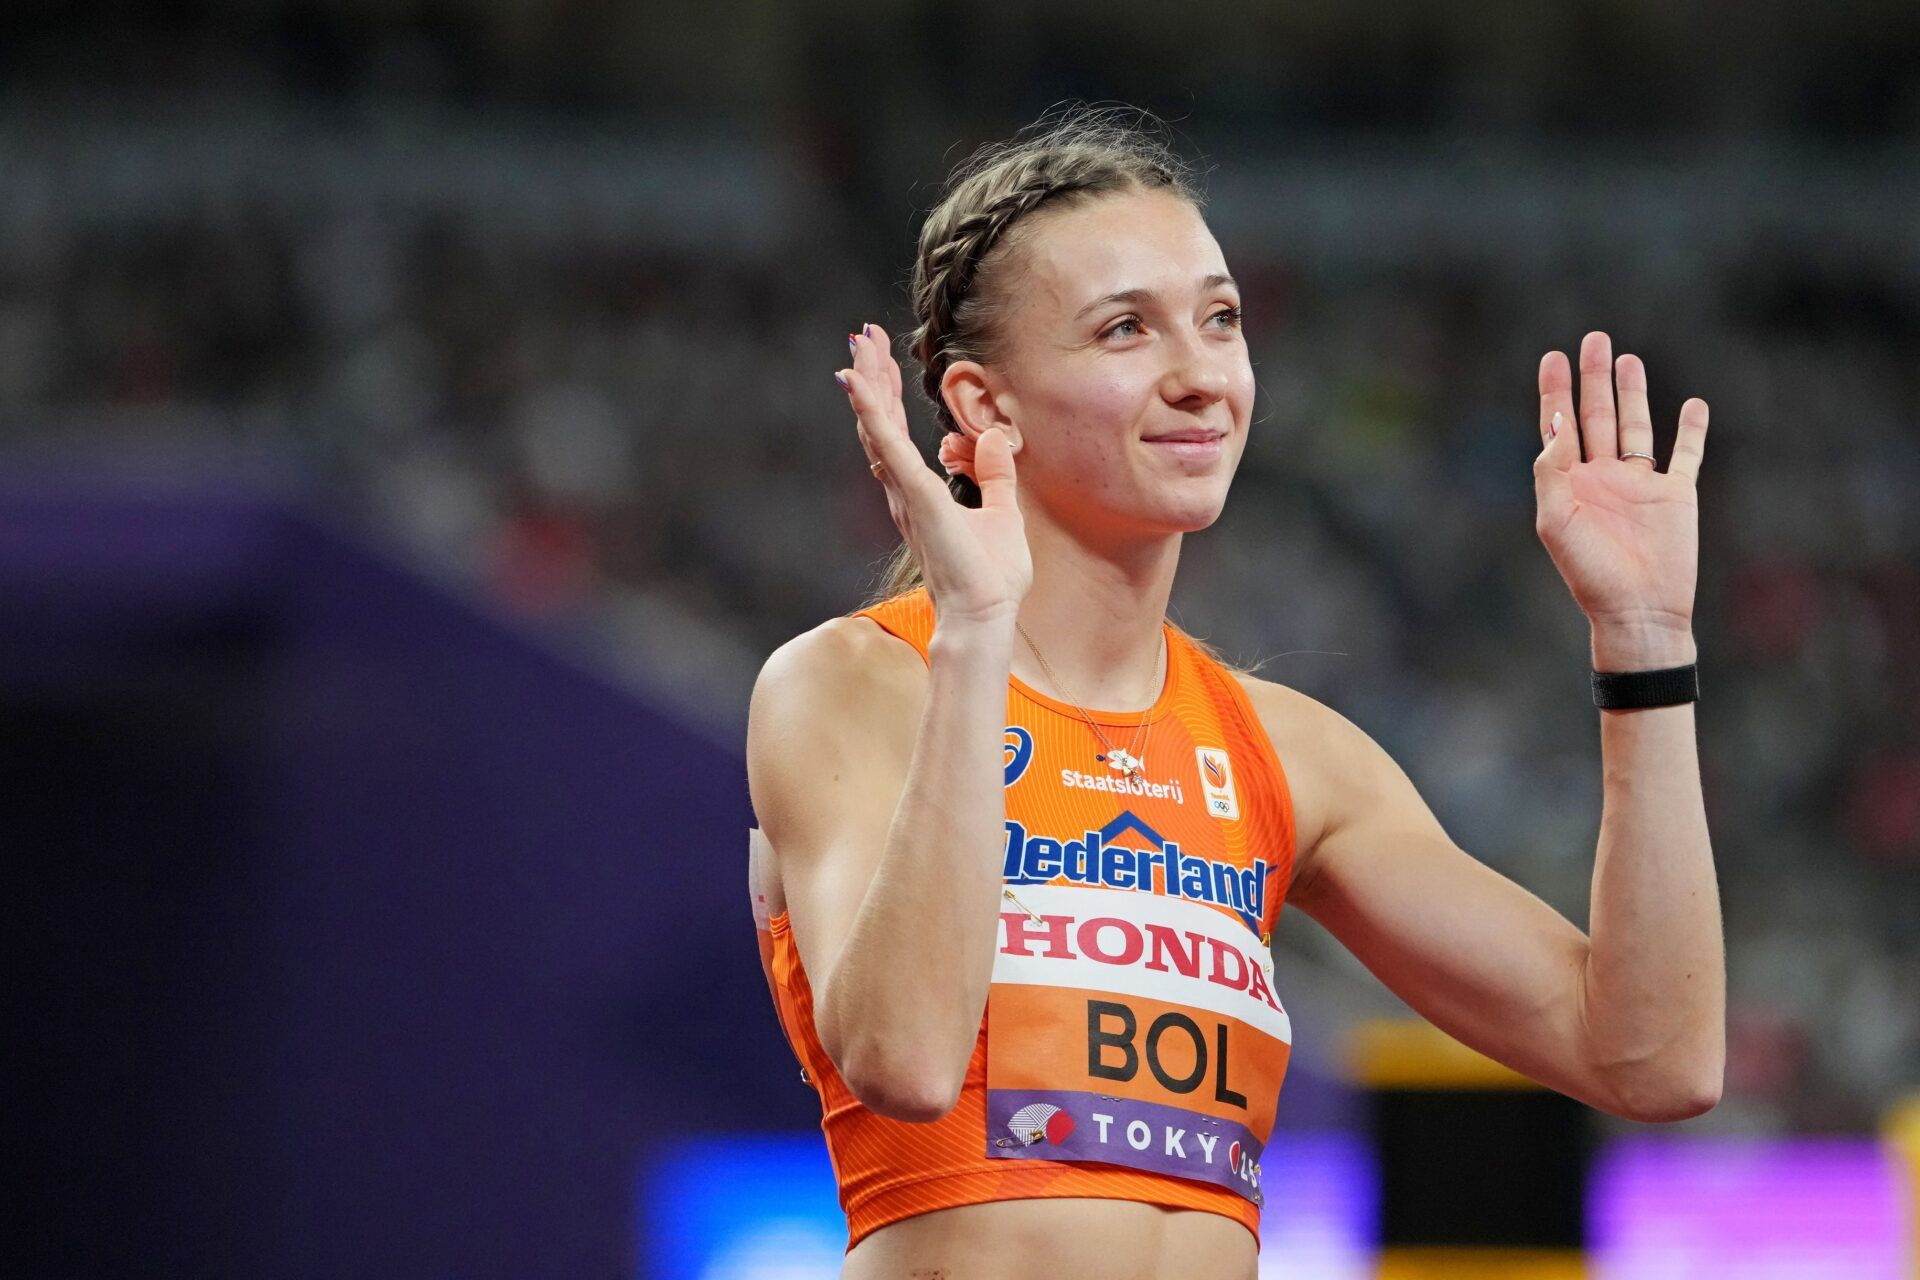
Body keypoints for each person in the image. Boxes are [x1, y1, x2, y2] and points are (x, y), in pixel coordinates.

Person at [745, 107, 1723, 1280]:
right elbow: (901, 1059)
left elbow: (1653, 1058)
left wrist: (1646, 640)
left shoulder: (1290, 753)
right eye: (1125, 329)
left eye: (1220, 319)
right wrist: (975, 639)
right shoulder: (854, 683)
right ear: (983, 405)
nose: (1201, 375)